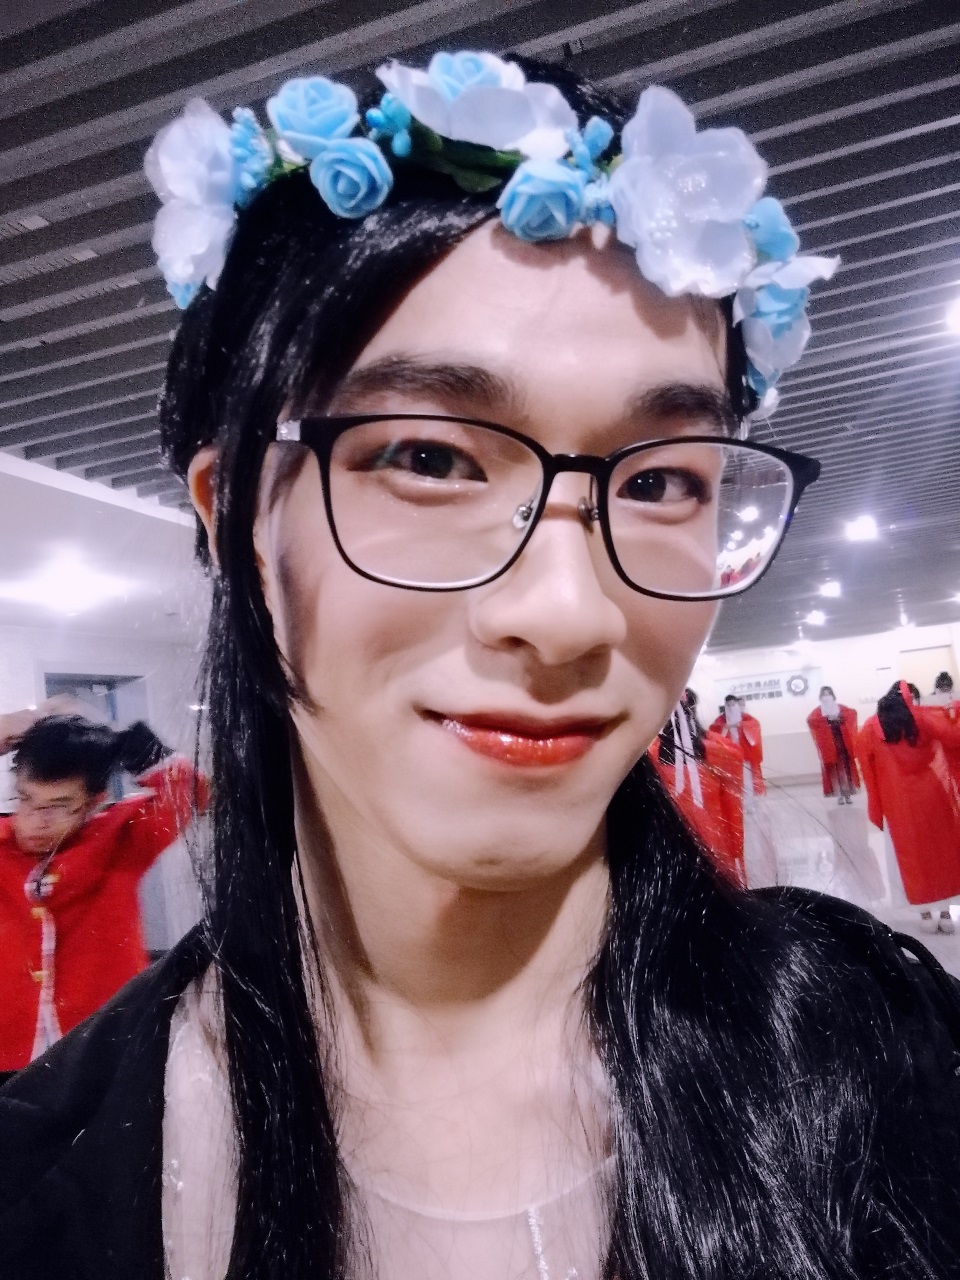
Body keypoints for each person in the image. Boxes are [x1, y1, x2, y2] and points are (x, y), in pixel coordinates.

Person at [2, 49, 959, 1280]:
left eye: (663, 480)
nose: (567, 613)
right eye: (432, 459)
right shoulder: (48, 1183)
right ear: (236, 516)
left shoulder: (886, 1048)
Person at [0, 712, 210, 1073]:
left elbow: (193, 790)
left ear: (95, 801)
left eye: (58, 806)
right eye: (25, 798)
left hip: (102, 1050)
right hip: (7, 1053)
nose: (35, 820)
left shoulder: (120, 838)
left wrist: (115, 739)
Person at [858, 681, 960, 935]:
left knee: (910, 858)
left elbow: (864, 762)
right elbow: (953, 736)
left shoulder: (871, 727)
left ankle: (924, 913)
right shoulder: (921, 719)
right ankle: (945, 913)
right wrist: (955, 710)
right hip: (932, 797)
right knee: (941, 851)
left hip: (897, 802)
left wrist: (876, 806)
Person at [651, 689, 745, 885]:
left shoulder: (650, 755)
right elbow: (732, 809)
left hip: (676, 844)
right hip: (709, 841)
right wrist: (736, 850)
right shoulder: (722, 751)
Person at [806, 685, 860, 804]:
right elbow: (811, 721)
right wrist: (826, 720)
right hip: (829, 746)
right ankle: (838, 794)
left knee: (845, 769)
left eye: (829, 693)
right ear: (821, 696)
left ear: (833, 695)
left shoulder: (840, 708)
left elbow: (852, 713)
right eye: (824, 694)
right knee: (834, 771)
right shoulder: (818, 711)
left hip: (842, 743)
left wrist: (840, 717)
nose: (827, 696)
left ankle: (848, 794)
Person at [709, 693, 766, 795]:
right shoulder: (721, 720)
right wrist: (724, 727)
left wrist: (741, 725)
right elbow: (714, 731)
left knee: (747, 778)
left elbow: (754, 725)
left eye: (733, 705)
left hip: (745, 754)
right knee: (732, 780)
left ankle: (749, 800)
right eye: (728, 705)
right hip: (730, 755)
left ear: (736, 704)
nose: (731, 708)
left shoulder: (745, 718)